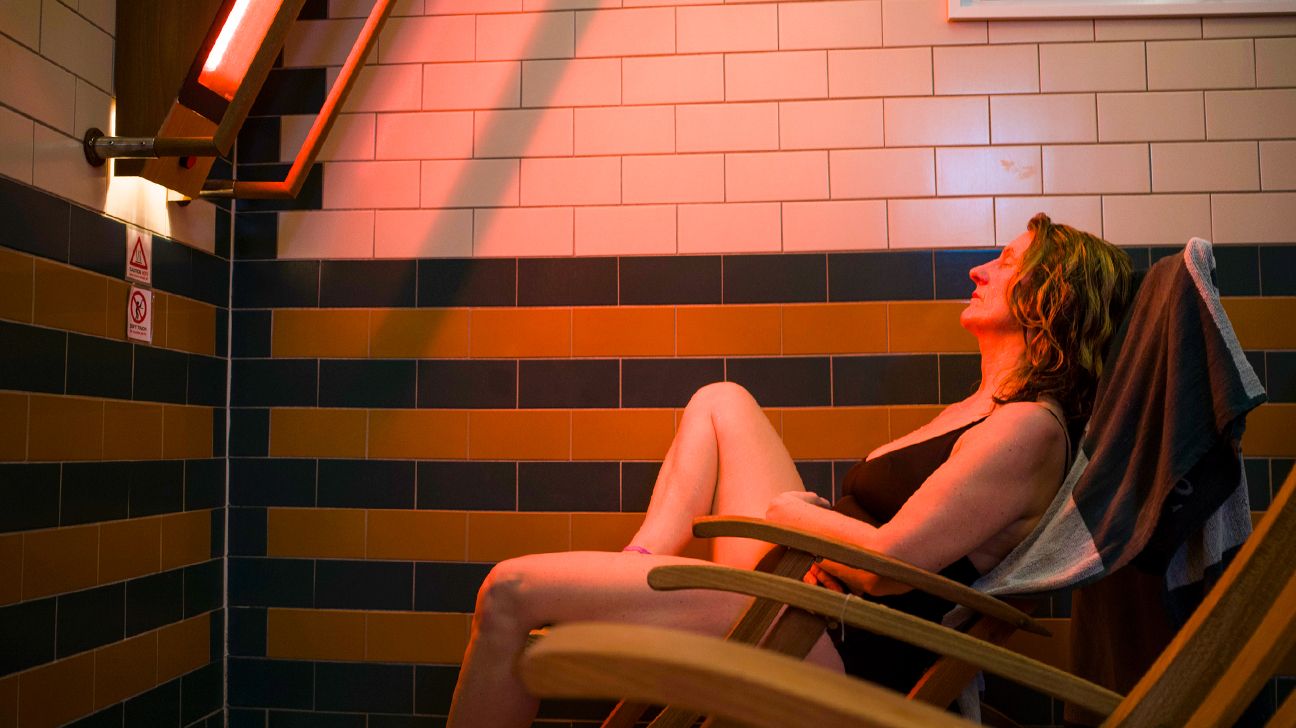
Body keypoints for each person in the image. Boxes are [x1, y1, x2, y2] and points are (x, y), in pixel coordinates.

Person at [446, 213, 1134, 727]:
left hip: (836, 632)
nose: (980, 270)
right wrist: (805, 523)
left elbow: (886, 566)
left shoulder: (1029, 428)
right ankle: (643, 561)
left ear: (1052, 296)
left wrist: (794, 514)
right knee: (722, 401)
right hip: (802, 590)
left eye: (1006, 262)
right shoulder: (981, 407)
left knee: (508, 591)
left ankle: (633, 583)